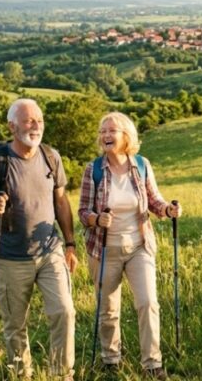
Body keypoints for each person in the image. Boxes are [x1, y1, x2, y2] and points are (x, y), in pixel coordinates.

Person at [0, 98, 77, 380]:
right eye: (29, 120)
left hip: (50, 251)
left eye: (39, 120)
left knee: (64, 312)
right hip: (11, 258)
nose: (36, 126)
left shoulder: (51, 157)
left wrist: (70, 244)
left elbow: (61, 202)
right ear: (12, 126)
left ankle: (62, 375)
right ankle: (22, 376)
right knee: (15, 326)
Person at [79, 112, 182, 380]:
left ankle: (152, 363)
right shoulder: (94, 170)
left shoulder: (141, 165)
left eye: (111, 130)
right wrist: (96, 219)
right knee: (108, 309)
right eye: (102, 131)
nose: (105, 135)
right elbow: (83, 212)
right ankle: (111, 359)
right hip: (104, 249)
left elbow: (154, 200)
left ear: (126, 135)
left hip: (139, 245)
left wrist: (168, 210)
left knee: (148, 302)